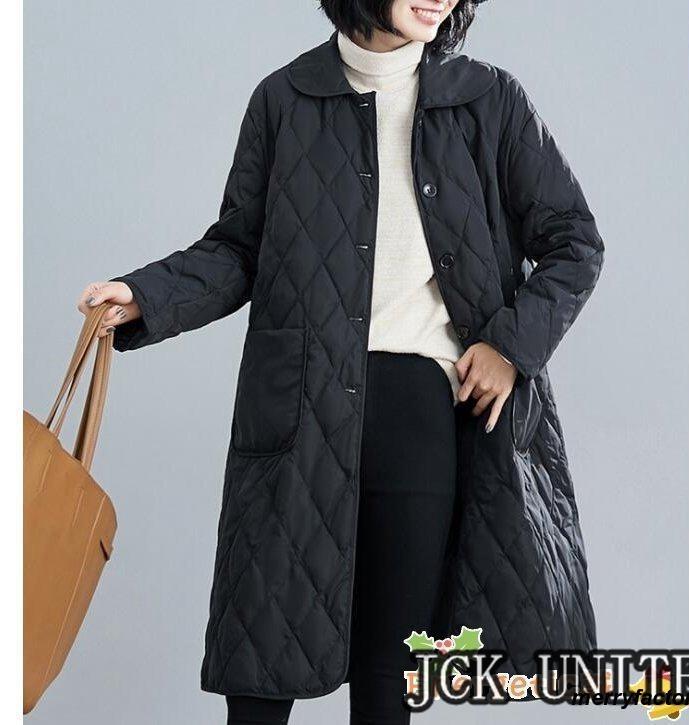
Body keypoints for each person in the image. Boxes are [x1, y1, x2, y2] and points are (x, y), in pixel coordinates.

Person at [77, 1, 604, 723]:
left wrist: (510, 346)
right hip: (300, 412)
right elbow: (238, 248)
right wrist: (145, 294)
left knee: (390, 673)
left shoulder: (488, 100)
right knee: (261, 663)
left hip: (423, 412)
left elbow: (575, 242)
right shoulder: (284, 99)